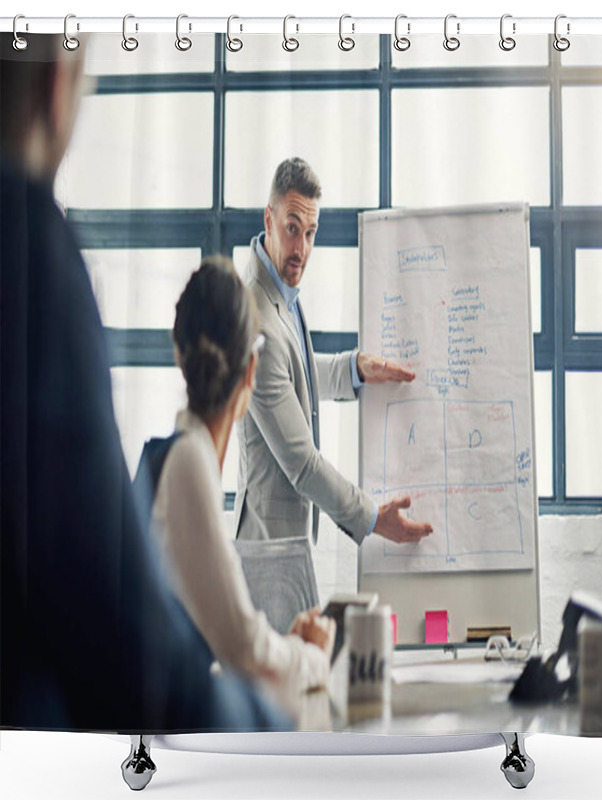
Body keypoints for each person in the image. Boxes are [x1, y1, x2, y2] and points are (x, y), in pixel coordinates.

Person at [0, 33, 287, 732]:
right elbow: (133, 657)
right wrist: (266, 722)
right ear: (55, 85)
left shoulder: (166, 451)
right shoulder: (26, 247)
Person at [146, 256, 334, 694]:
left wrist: (285, 646)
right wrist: (312, 657)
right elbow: (243, 650)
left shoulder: (169, 456)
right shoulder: (190, 464)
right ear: (251, 372)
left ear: (179, 354)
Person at [235, 157, 434, 546]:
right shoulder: (256, 319)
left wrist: (354, 369)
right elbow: (304, 465)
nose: (302, 249)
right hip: (268, 547)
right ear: (268, 220)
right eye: (292, 229)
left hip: (282, 541)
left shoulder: (279, 289)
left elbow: (293, 375)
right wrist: (374, 517)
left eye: (311, 233)